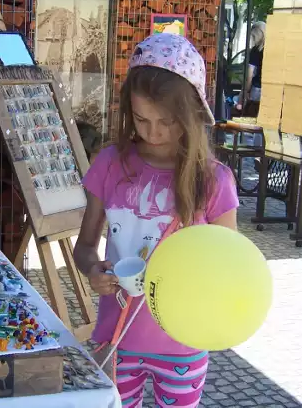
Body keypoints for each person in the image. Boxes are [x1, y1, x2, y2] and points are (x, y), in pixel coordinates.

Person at [73, 33, 239, 408]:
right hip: (114, 341)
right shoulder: (109, 164)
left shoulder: (213, 181)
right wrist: (93, 271)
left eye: (166, 121)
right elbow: (84, 247)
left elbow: (228, 271)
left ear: (192, 113)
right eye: (141, 119)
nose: (152, 133)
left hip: (183, 343)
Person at [236, 21, 266, 112]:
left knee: (252, 114)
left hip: (257, 89)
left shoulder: (255, 51)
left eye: (253, 37)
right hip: (271, 89)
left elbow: (249, 74)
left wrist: (245, 91)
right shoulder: (273, 50)